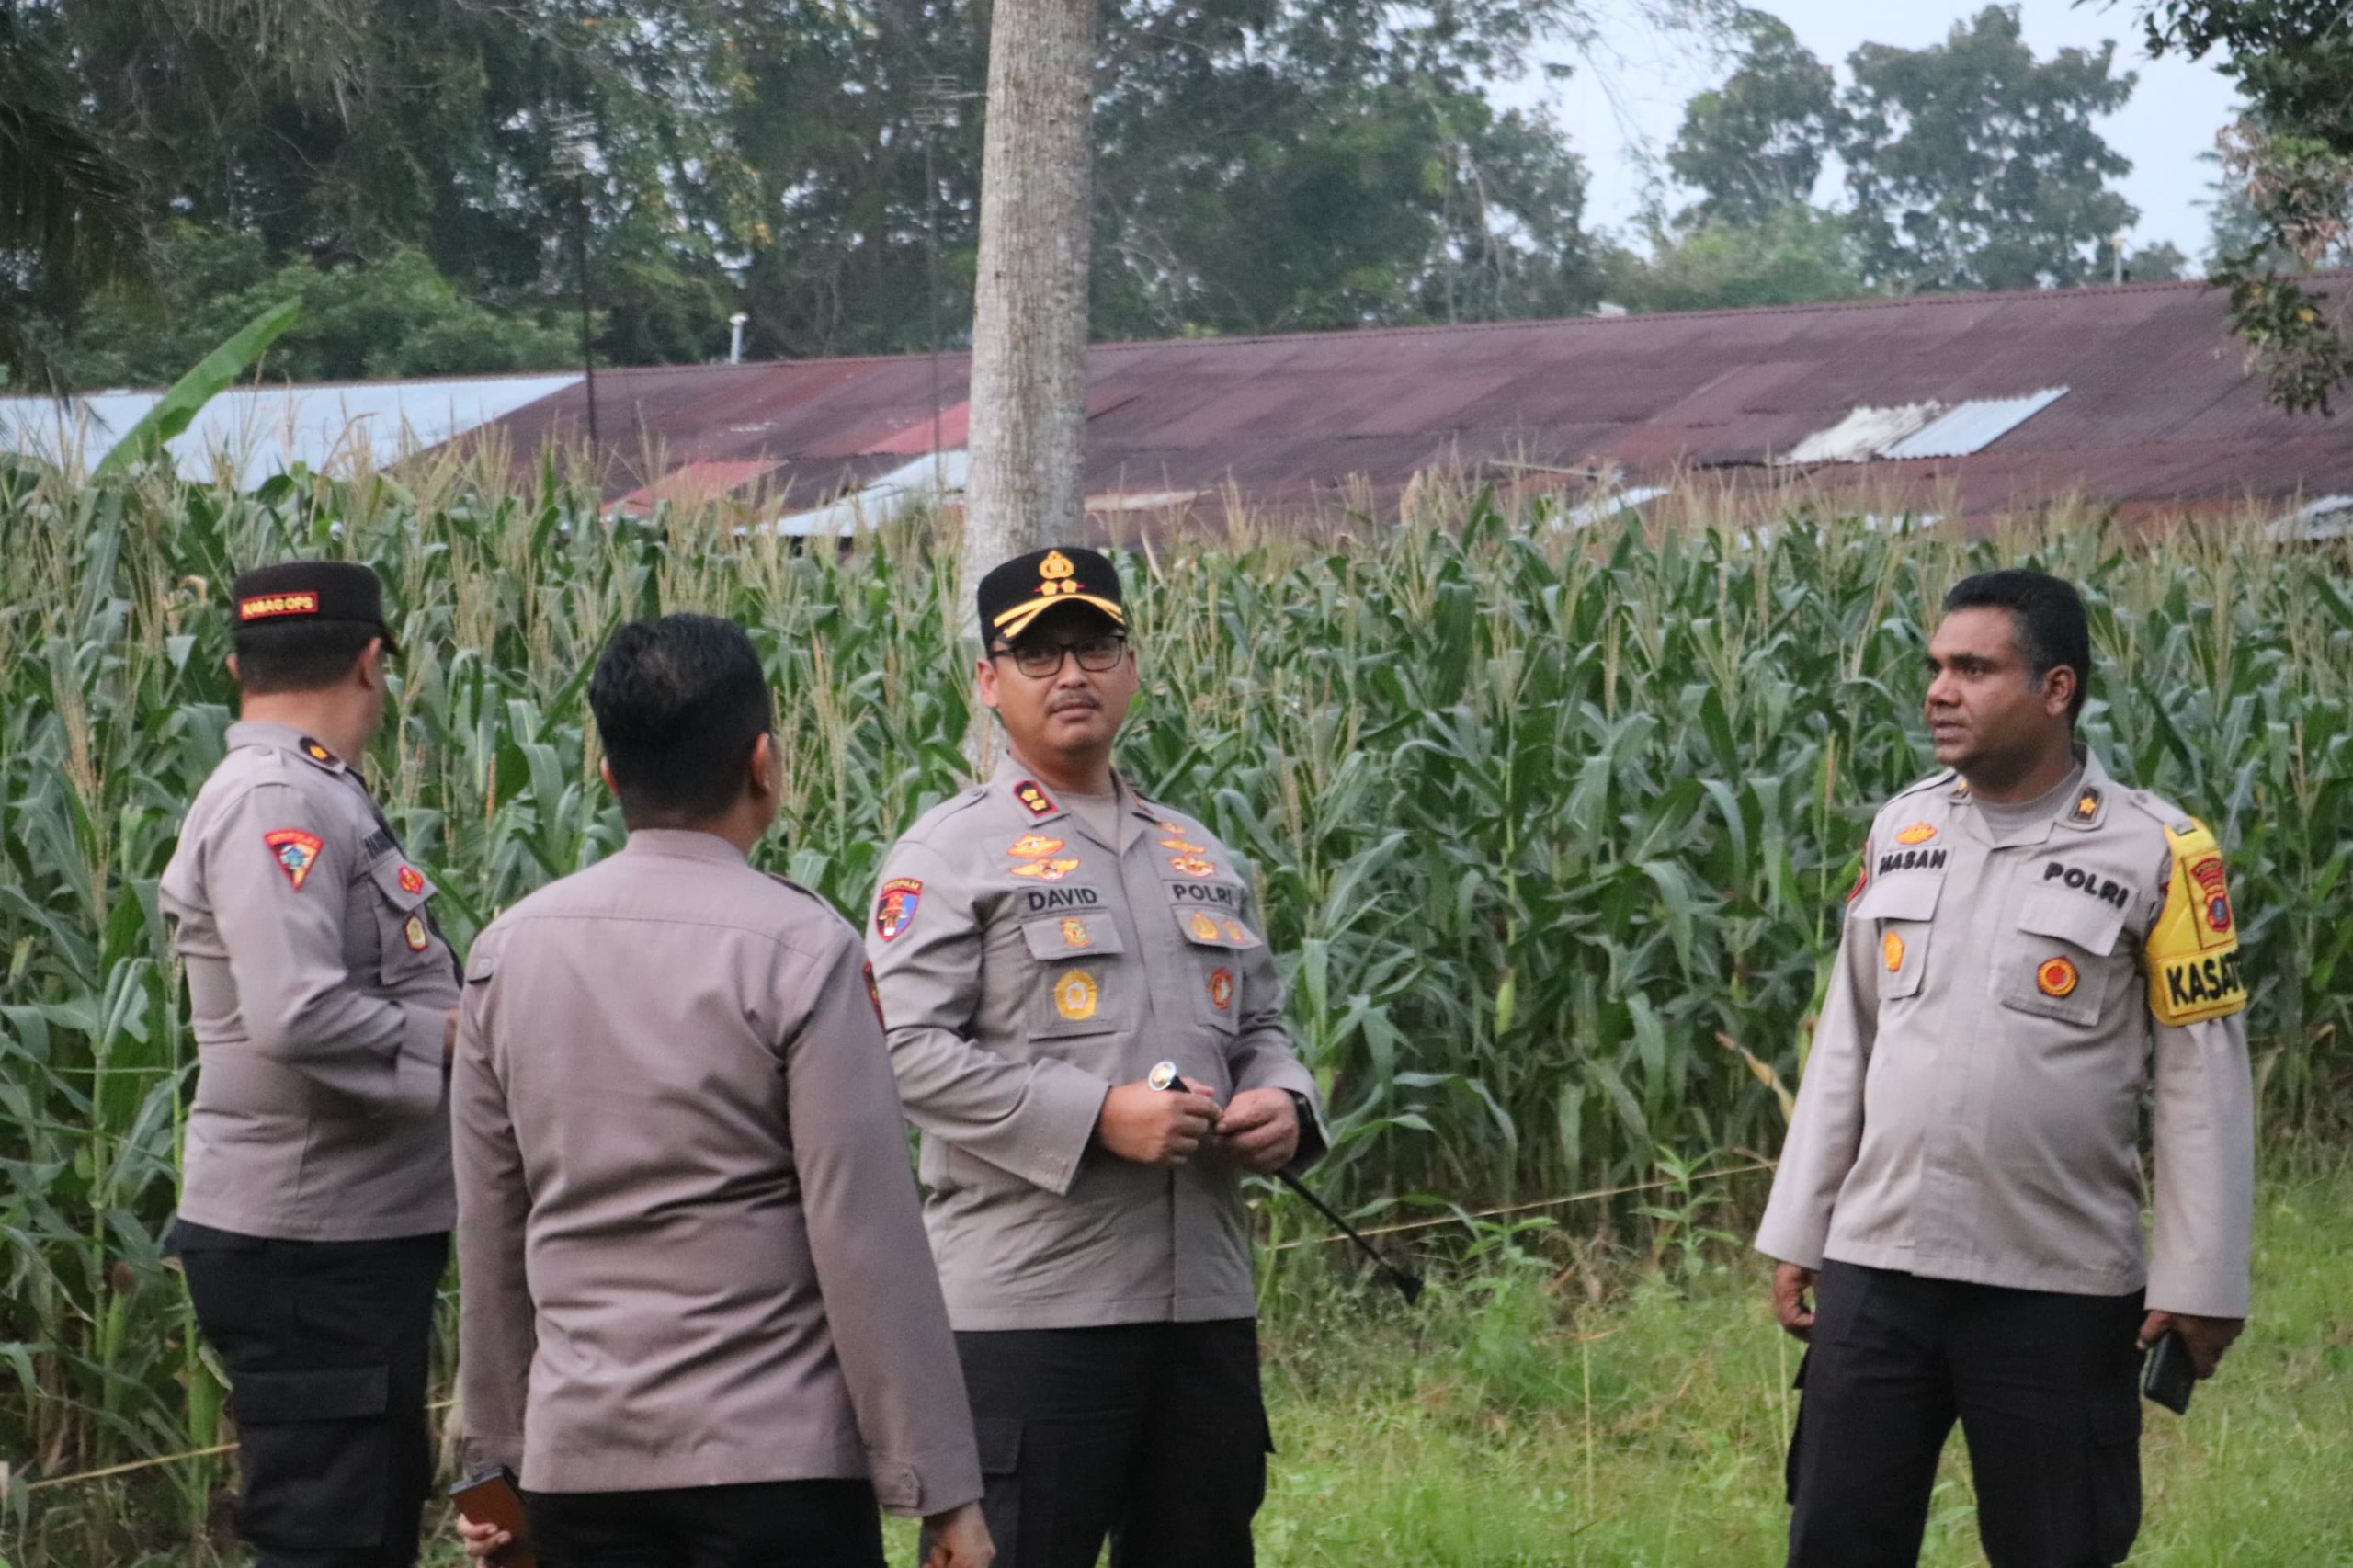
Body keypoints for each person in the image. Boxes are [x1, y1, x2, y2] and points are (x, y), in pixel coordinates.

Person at [448, 613, 991, 1568]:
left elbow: (490, 1242)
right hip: (776, 1471)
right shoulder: (802, 951)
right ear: (765, 763)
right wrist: (940, 1489)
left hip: (580, 1470)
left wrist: (491, 1478)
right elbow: (863, 1236)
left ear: (608, 775)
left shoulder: (506, 955)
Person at [1756, 569, 2256, 1568]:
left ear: (2056, 688)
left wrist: (2201, 1280)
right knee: (1836, 1538)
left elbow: (2203, 1079)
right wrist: (1801, 1227)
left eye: (1973, 668)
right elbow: (1847, 1036)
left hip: (2054, 1283)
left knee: (2055, 1546)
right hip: (1878, 1269)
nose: (1939, 689)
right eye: (1937, 666)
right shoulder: (1901, 828)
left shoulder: (2159, 849)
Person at [865, 546, 1329, 1568]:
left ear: (1130, 665)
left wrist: (1284, 1105)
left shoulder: (1199, 853)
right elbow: (898, 1049)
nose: (1070, 673)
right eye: (1037, 653)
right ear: (989, 681)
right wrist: (1093, 1115)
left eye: (1094, 645)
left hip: (1202, 1301)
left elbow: (1262, 1031)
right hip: (1033, 1309)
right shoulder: (950, 853)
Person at [159, 561, 460, 1568]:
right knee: (330, 1536)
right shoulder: (276, 797)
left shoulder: (306, 787)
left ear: (239, 664)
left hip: (344, 1234)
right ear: (373, 661)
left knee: (366, 1520)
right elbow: (296, 1011)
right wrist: (456, 1042)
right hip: (310, 1243)